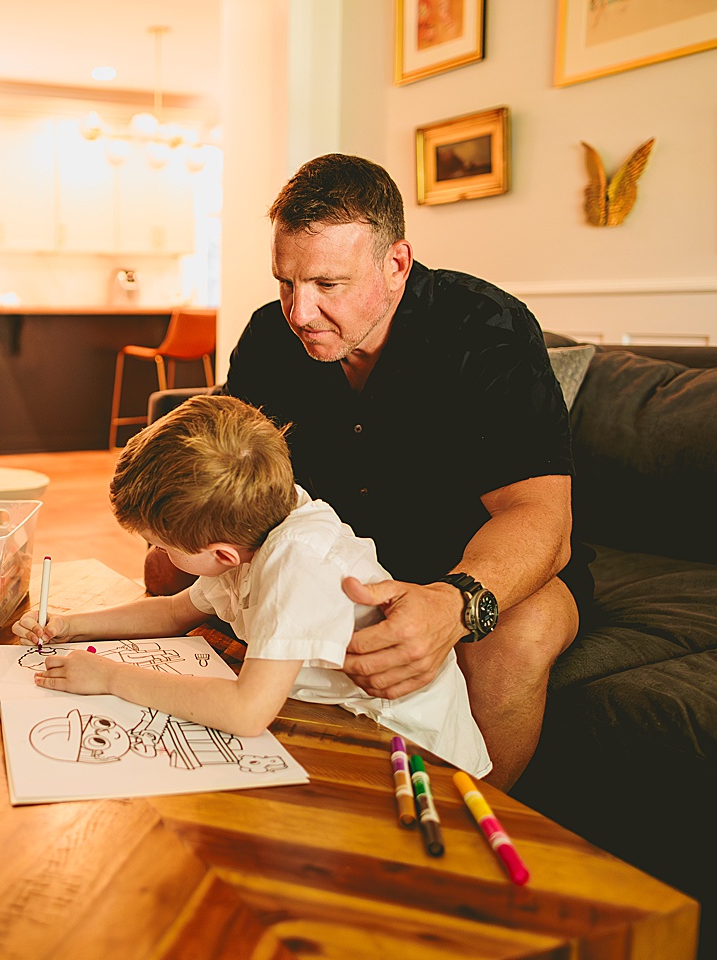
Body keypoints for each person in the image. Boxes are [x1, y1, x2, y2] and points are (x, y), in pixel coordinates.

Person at [197, 152, 591, 790]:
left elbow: (539, 517)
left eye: (328, 285)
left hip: (467, 563)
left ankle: (474, 822)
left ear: (396, 263)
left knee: (517, 636)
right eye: (285, 282)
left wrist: (454, 604)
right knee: (168, 564)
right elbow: (226, 465)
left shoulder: (486, 330)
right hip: (334, 557)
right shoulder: (271, 336)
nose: (299, 312)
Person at [14, 393, 492, 779]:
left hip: (408, 752)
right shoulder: (253, 526)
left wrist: (110, 677)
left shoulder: (296, 564)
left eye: (159, 545)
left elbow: (246, 712)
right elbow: (173, 611)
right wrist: (70, 626)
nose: (157, 555)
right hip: (333, 717)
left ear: (220, 554)